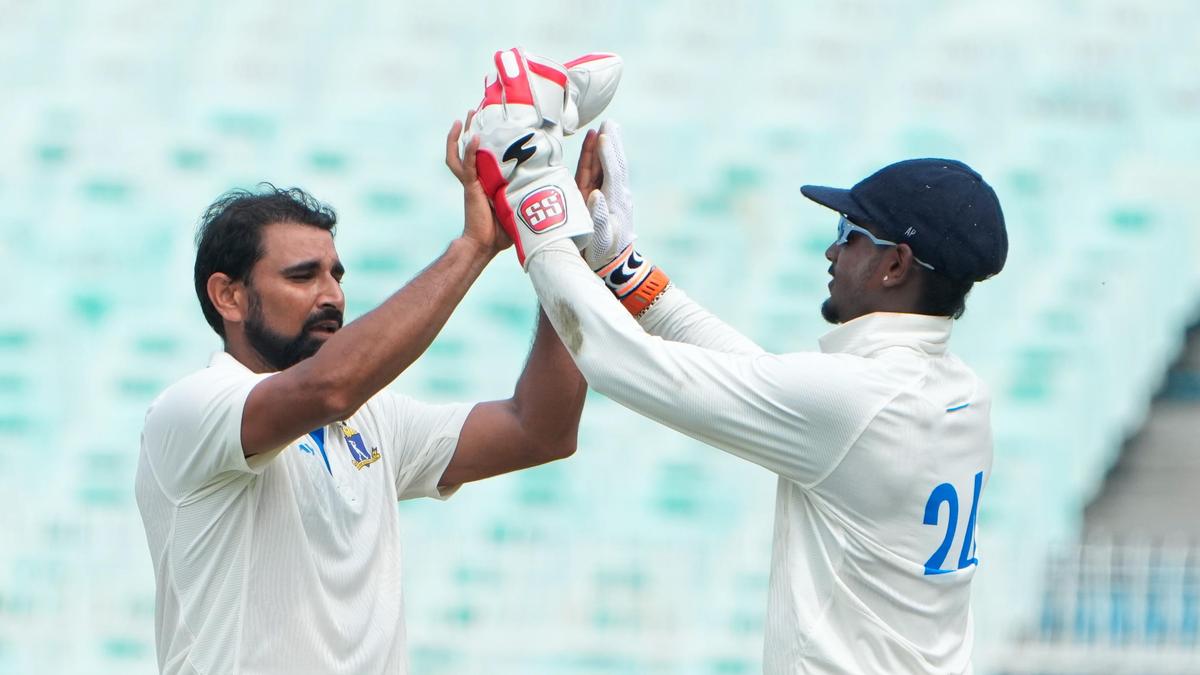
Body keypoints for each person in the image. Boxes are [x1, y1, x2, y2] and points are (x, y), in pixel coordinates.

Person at [463, 55, 1008, 673]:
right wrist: (619, 265)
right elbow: (765, 380)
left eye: (851, 232)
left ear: (894, 266)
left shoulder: (858, 399)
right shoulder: (960, 394)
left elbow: (619, 363)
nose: (832, 249)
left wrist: (532, 190)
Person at [134, 120, 588, 675]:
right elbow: (330, 388)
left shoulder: (371, 418)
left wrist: (564, 256)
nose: (331, 295)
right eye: (303, 277)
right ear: (228, 296)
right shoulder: (193, 408)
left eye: (335, 274)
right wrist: (474, 247)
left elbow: (540, 429)